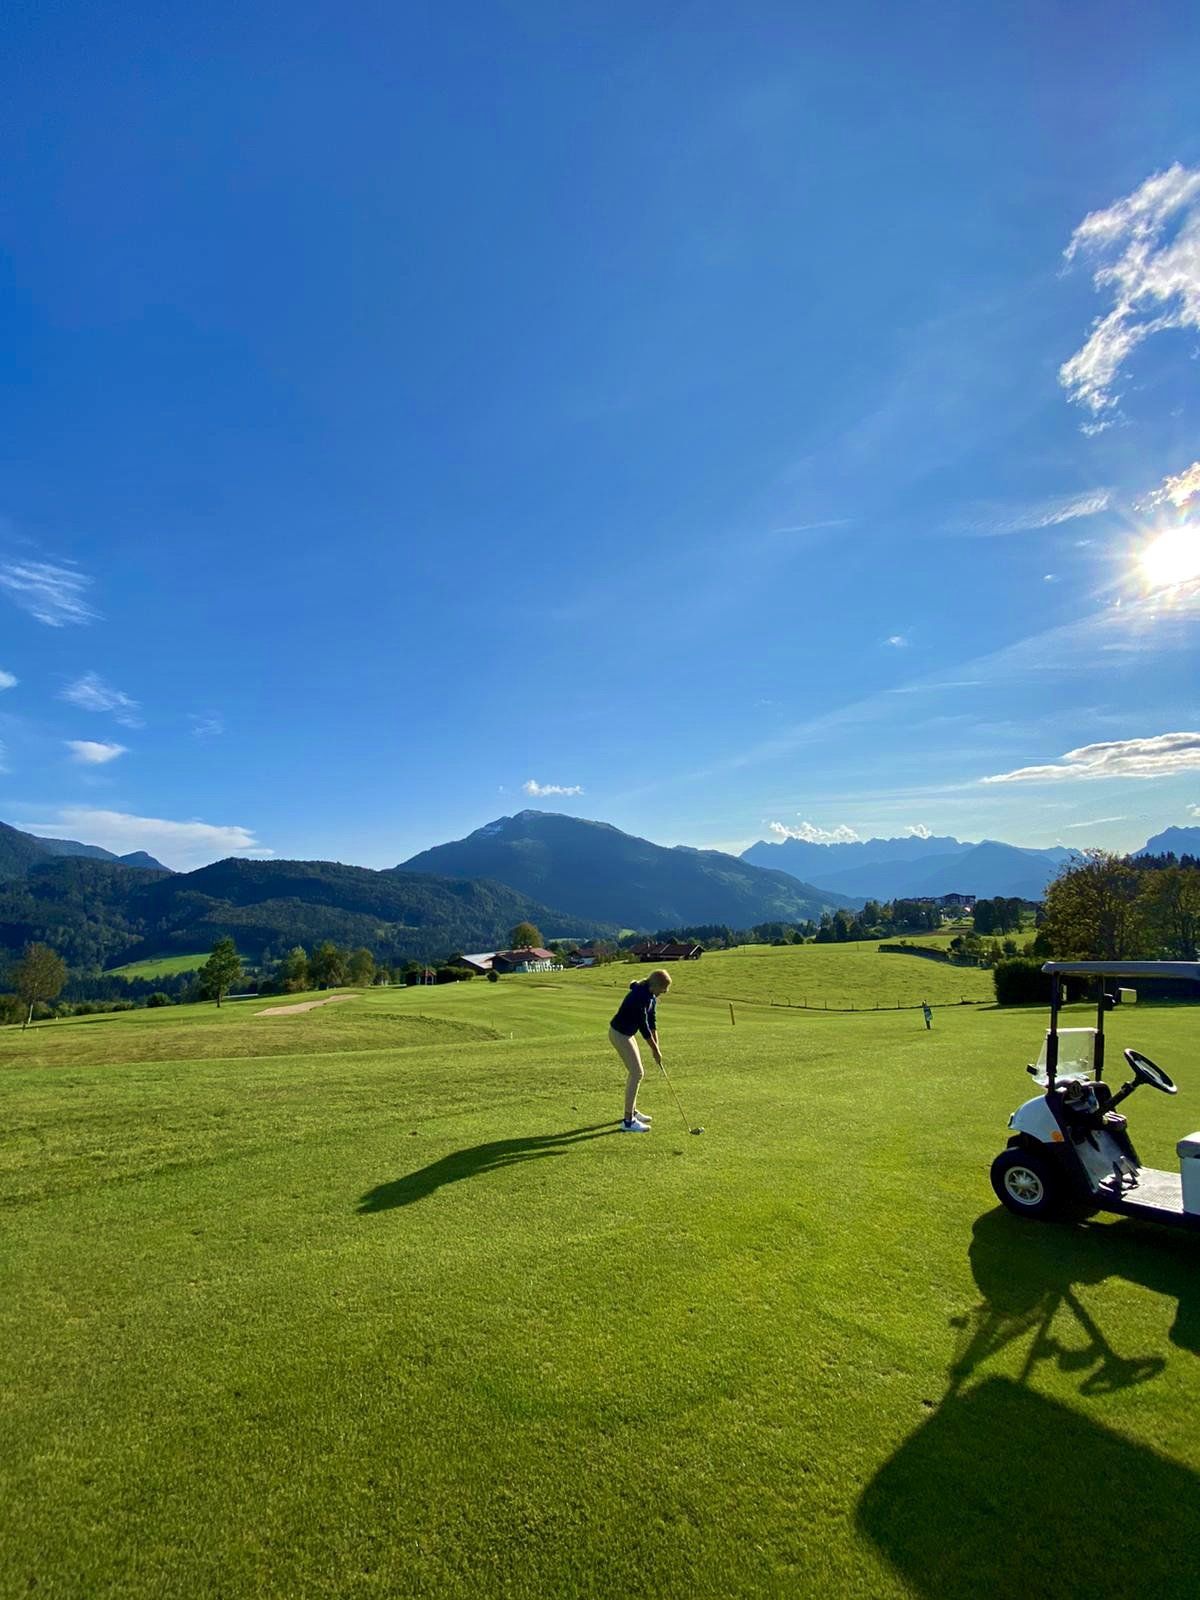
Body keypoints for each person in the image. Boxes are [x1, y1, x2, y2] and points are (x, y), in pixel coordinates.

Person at [610, 968, 672, 1132]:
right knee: (637, 1073)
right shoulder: (639, 997)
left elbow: (652, 1022)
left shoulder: (650, 995)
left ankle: (633, 1112)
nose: (664, 992)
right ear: (655, 986)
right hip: (619, 1034)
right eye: (663, 989)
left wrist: (656, 1047)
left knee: (637, 1072)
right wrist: (654, 1050)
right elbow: (644, 1028)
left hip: (627, 1034)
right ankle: (628, 1121)